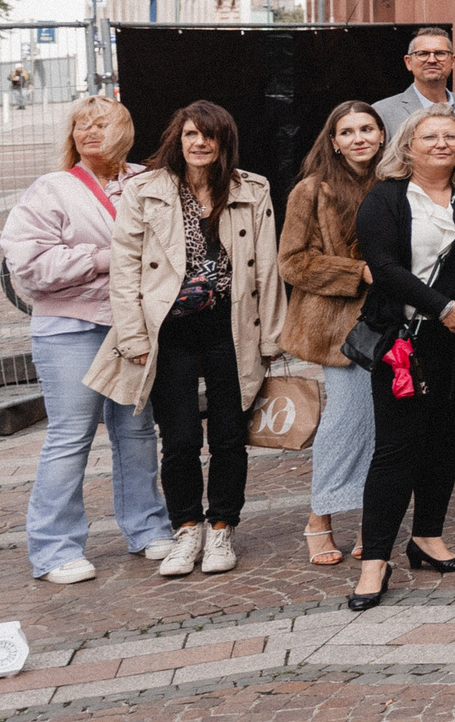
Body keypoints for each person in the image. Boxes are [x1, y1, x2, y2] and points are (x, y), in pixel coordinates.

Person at [86, 102, 285, 581]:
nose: (200, 143)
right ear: (178, 138)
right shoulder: (146, 191)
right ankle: (186, 527)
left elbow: (267, 269)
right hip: (168, 330)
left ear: (224, 142)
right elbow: (126, 268)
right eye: (191, 134)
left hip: (230, 326)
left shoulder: (251, 189)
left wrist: (271, 340)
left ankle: (222, 526)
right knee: (178, 439)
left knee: (230, 436)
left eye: (210, 136)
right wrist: (133, 334)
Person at [346, 105, 455, 609]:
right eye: (430, 136)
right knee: (396, 450)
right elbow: (384, 266)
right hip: (407, 341)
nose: (441, 143)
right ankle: (375, 559)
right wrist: (442, 306)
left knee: (446, 441)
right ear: (408, 145)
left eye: (451, 135)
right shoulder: (386, 199)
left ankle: (427, 536)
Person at [1, 98, 170, 583]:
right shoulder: (51, 189)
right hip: (69, 329)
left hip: (132, 327)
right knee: (70, 437)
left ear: (125, 130)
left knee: (137, 433)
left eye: (100, 124)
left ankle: (148, 527)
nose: (88, 132)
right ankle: (55, 549)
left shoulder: (147, 182)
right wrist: (105, 258)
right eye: (80, 125)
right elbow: (30, 268)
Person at [279, 102, 385, 567]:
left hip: (393, 321)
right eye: (348, 131)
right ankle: (319, 516)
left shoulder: (397, 184)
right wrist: (356, 271)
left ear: (383, 135)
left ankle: (369, 520)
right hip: (336, 327)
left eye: (367, 128)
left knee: (383, 425)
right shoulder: (310, 191)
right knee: (347, 419)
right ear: (334, 141)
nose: (359, 137)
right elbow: (292, 261)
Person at [375, 27, 455, 139]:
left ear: (452, 61)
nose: (432, 60)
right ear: (408, 62)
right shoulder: (383, 111)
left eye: (440, 53)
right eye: (423, 54)